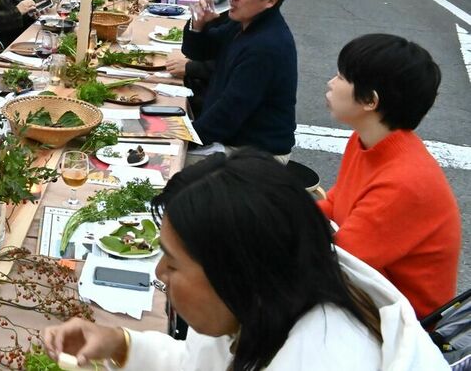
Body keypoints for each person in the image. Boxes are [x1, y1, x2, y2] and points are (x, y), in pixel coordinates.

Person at [42, 150, 449, 371]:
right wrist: (120, 343)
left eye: (173, 261)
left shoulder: (324, 356)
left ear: (238, 272)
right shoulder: (270, 300)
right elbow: (201, 361)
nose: (158, 274)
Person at [320, 34, 460, 318]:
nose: (331, 83)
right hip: (367, 290)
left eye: (341, 76)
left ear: (370, 100)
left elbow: (339, 263)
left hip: (399, 322)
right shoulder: (366, 141)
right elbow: (335, 204)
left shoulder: (405, 182)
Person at [183, 0, 297, 158]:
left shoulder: (266, 46)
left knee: (166, 166)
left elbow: (229, 112)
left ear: (271, 0)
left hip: (254, 154)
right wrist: (198, 24)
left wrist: (182, 138)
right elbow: (199, 52)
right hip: (232, 138)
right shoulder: (245, 22)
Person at [164, 0, 235, 116]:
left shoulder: (229, 3)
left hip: (217, 103)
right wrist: (197, 25)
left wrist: (190, 68)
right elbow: (191, 51)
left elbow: (229, 63)